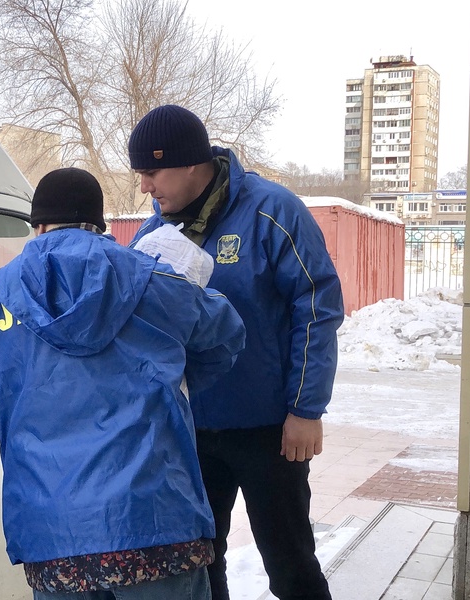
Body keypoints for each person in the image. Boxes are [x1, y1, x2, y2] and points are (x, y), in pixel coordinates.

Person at [0, 167, 247, 600]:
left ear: (38, 226)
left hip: (55, 536)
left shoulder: (2, 298)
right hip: (154, 521)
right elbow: (227, 334)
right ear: (98, 225)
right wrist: (178, 377)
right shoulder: (154, 281)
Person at [127, 105, 345, 600]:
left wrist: (305, 410)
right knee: (202, 562)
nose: (144, 187)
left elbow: (318, 308)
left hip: (270, 429)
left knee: (289, 562)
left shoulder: (272, 212)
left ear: (188, 163)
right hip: (190, 432)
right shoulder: (153, 234)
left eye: (151, 172)